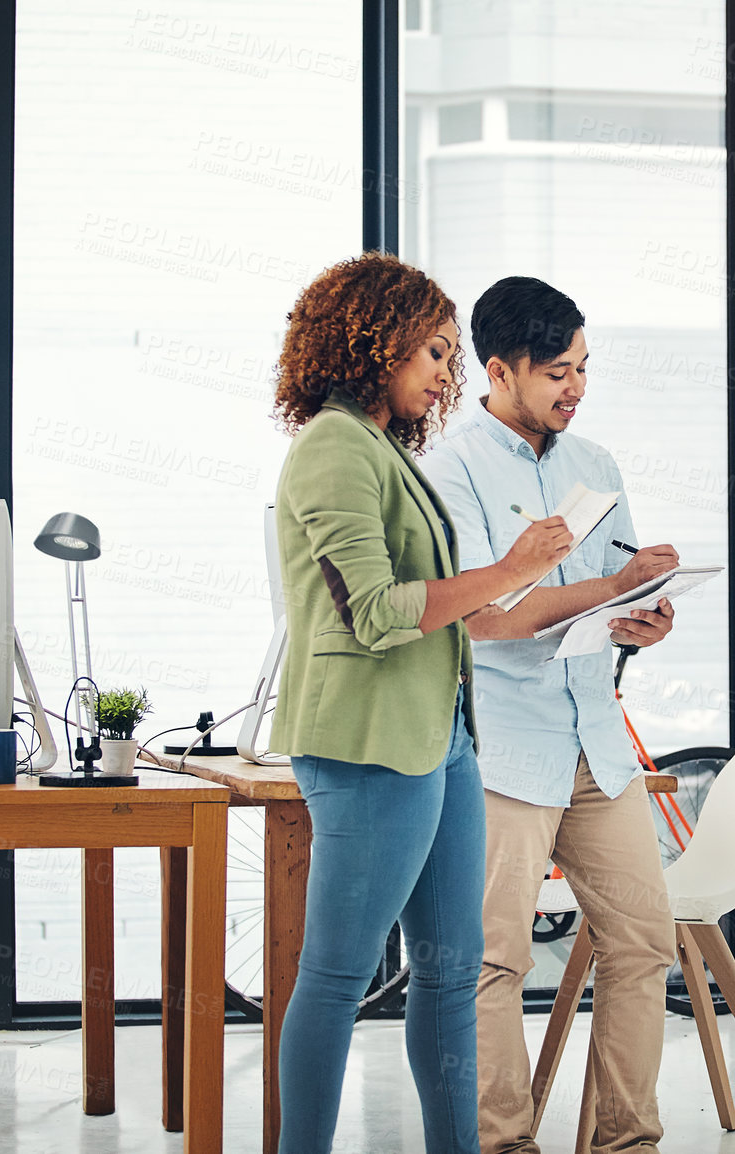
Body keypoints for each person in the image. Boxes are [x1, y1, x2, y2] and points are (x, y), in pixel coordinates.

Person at [269, 253, 574, 1154]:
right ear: (377, 342)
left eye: (450, 354)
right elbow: (374, 612)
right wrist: (510, 571)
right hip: (369, 747)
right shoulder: (332, 445)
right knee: (335, 976)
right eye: (435, 352)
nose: (447, 372)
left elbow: (433, 600)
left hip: (436, 740)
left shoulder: (382, 449)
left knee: (449, 978)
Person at [421, 276, 679, 1154]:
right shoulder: (447, 472)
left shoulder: (593, 465)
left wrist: (643, 619)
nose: (575, 387)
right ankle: (504, 1145)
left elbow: (615, 596)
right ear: (499, 370)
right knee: (493, 962)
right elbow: (478, 617)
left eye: (582, 369)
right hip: (505, 752)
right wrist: (611, 585)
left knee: (643, 946)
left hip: (595, 745)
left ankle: (624, 1143)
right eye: (557, 372)